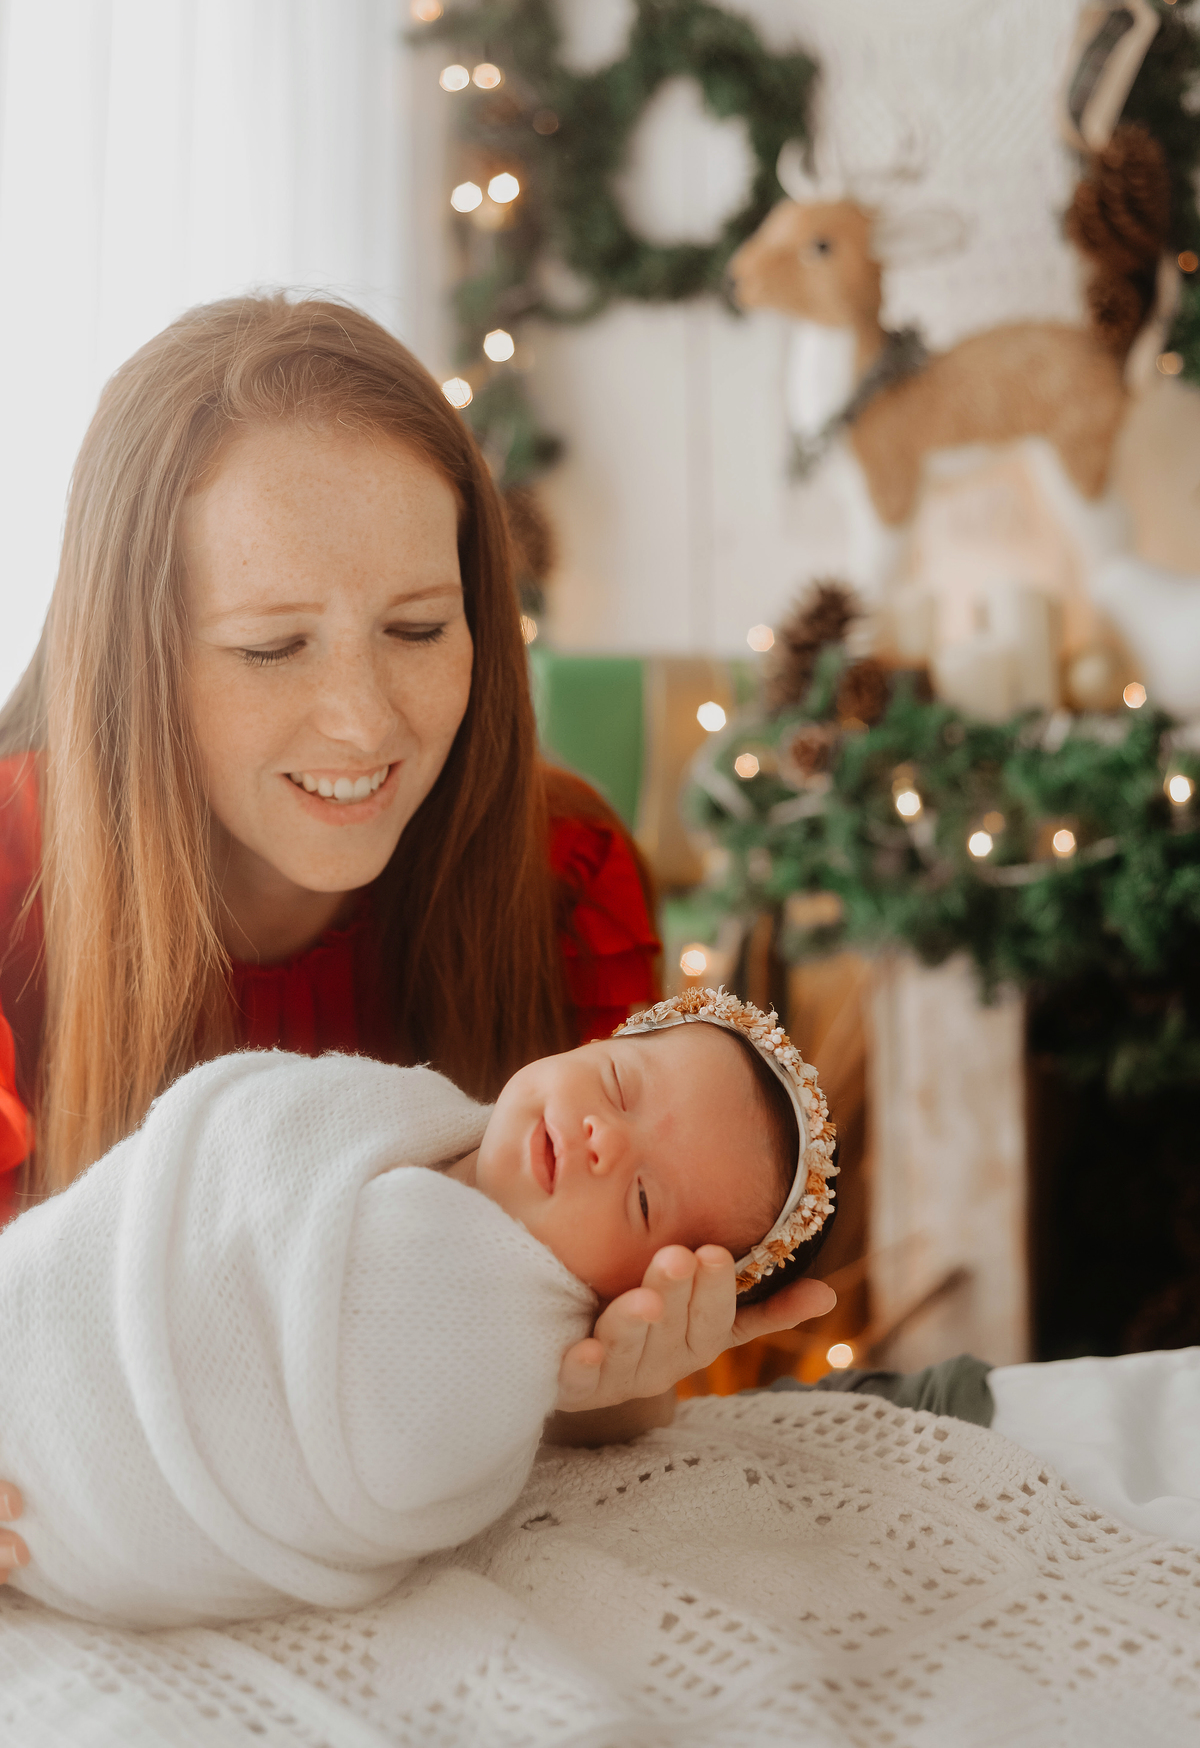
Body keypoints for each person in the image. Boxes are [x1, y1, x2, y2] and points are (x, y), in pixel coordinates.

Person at [0, 296, 836, 1586]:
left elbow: (551, 1383)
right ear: (131, 656)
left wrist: (620, 1381)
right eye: (271, 645)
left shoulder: (563, 874)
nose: (363, 720)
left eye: (417, 629)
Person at [1, 988, 837, 1627]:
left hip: (76, 1496)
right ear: (597, 1041)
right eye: (619, 1084)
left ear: (645, 1285)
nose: (604, 1139)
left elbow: (378, 1446)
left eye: (644, 1199)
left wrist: (608, 1381)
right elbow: (183, 1175)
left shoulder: (487, 1352)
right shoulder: (407, 1109)